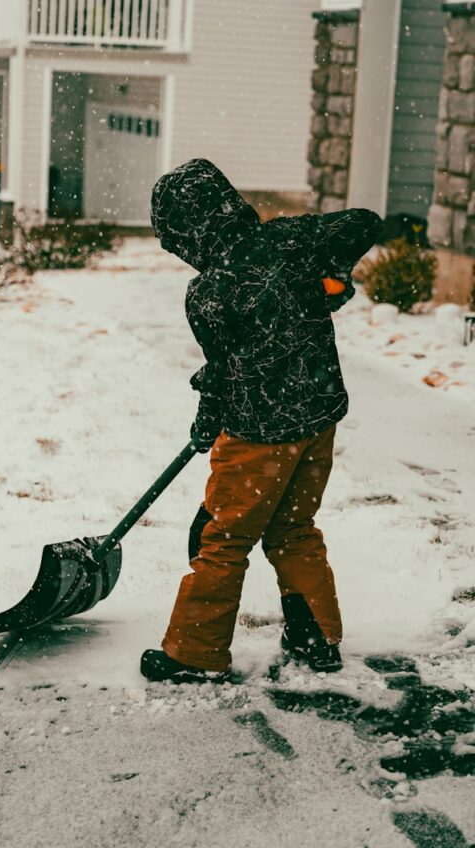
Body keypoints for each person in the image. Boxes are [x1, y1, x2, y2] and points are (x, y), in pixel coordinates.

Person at [140, 158, 383, 684]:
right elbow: (365, 222)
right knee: (293, 525)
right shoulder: (291, 240)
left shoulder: (209, 292)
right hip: (317, 419)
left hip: (259, 436)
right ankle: (316, 638)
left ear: (189, 233)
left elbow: (223, 374)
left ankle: (195, 653)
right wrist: (324, 274)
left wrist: (328, 282)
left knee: (221, 539)